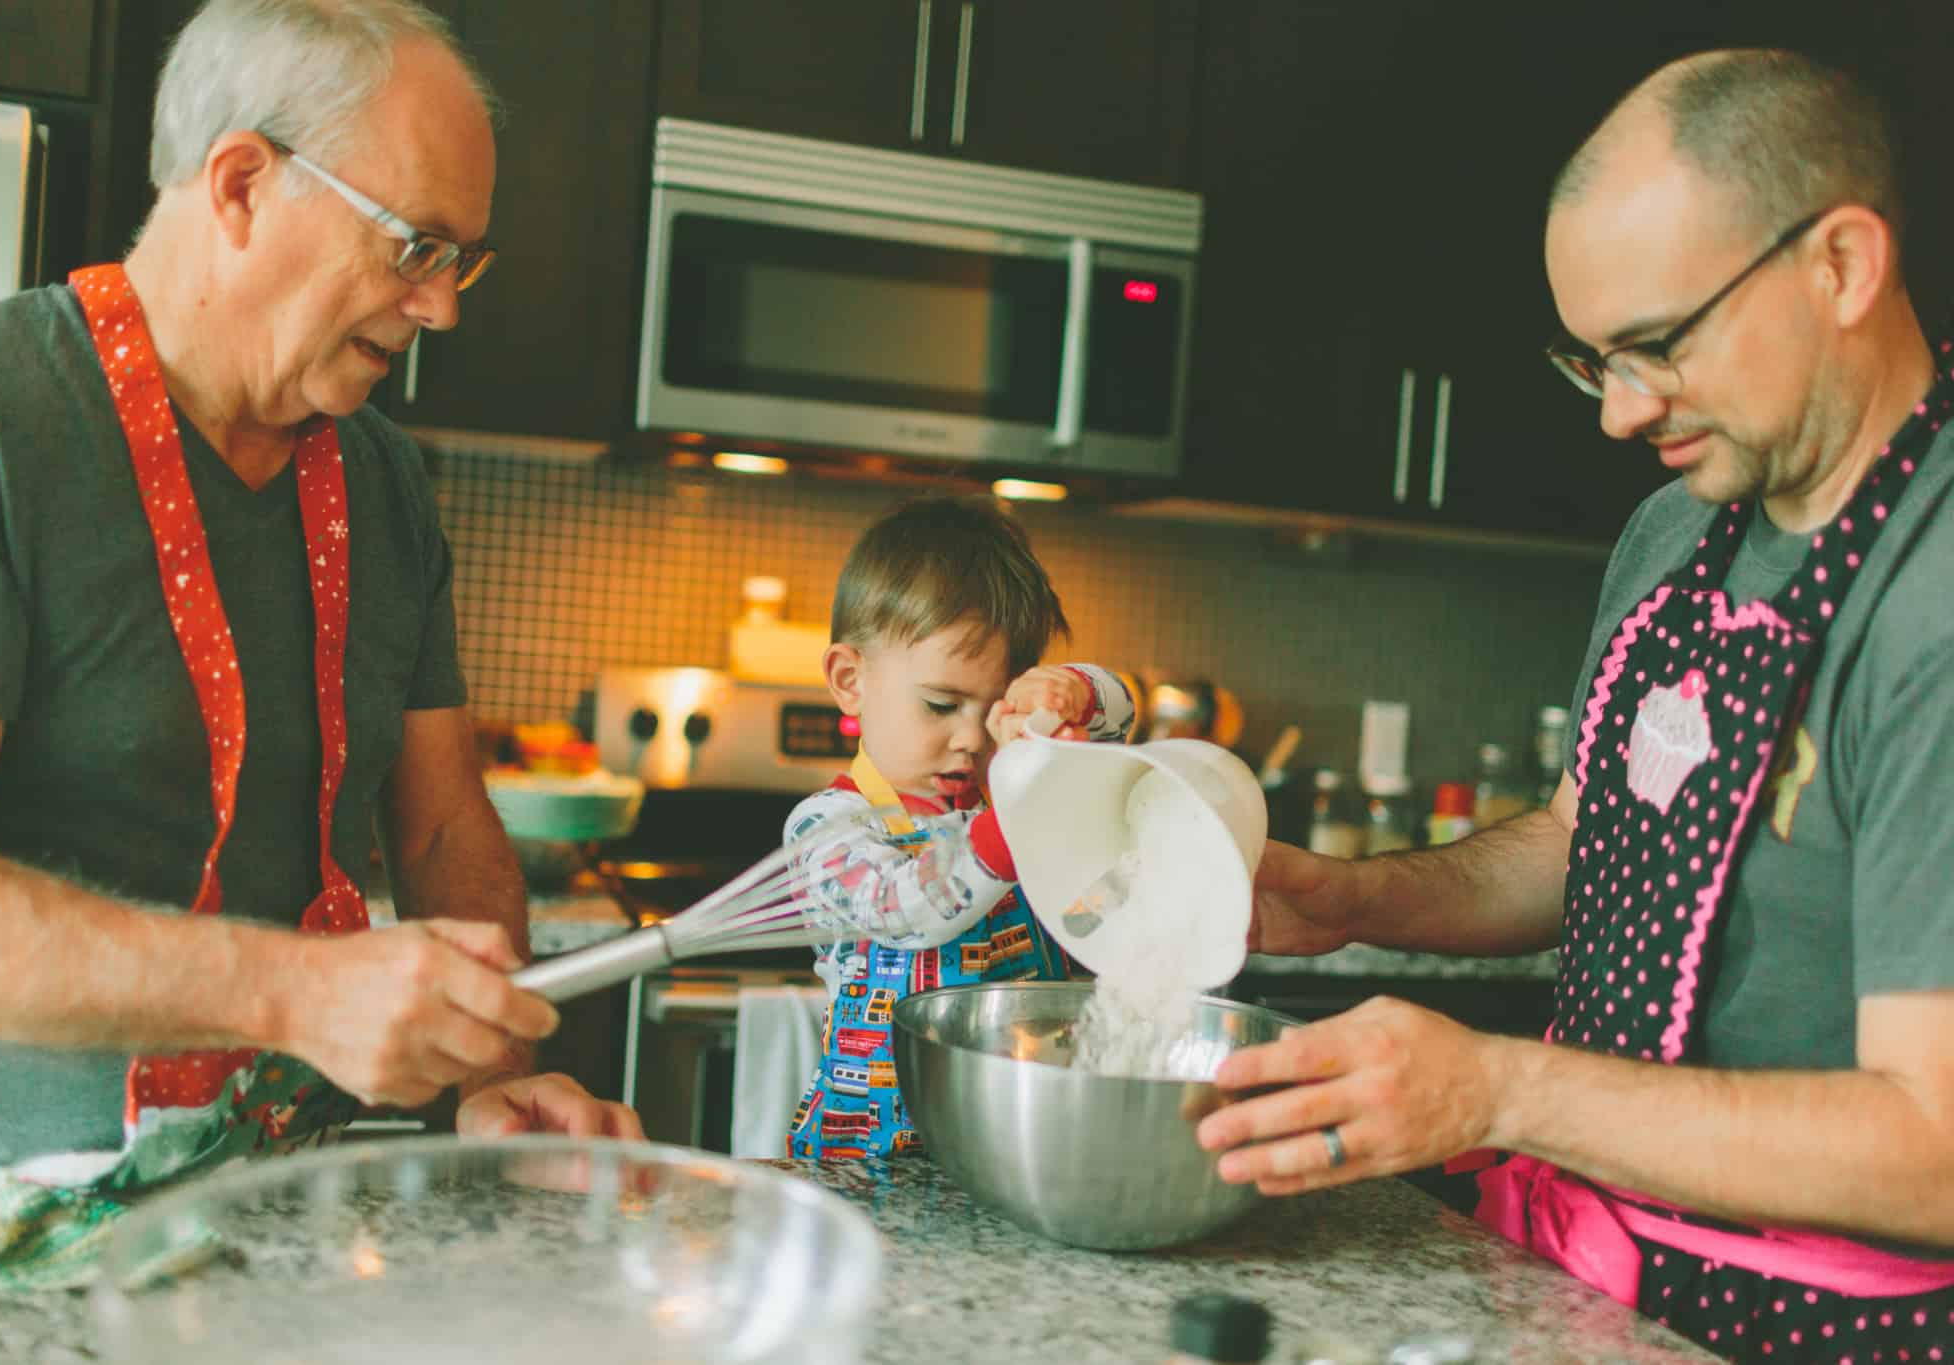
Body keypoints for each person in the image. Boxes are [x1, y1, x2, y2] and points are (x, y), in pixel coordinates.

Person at [1197, 49, 1954, 1358]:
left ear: (1839, 264)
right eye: (1593, 359)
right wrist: (1356, 900)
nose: (1618, 411)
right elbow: (1584, 838)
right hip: (1584, 1284)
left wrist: (1495, 1087)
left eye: (1654, 346)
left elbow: (1936, 1150)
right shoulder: (1677, 529)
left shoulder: (1932, 587)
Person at [0, 0, 638, 1193]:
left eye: (459, 260)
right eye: (415, 246)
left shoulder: (383, 479)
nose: (442, 306)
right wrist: (291, 993)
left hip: (287, 1209)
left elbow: (442, 825)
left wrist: (492, 1075)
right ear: (242, 184)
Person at [783, 496, 1135, 1159]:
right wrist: (1014, 825)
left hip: (1024, 1138)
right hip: (876, 1156)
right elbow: (905, 909)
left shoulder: (999, 803)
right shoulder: (828, 827)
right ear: (850, 680)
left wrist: (1070, 693)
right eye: (942, 705)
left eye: (995, 706)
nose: (972, 738)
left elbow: (1120, 713)